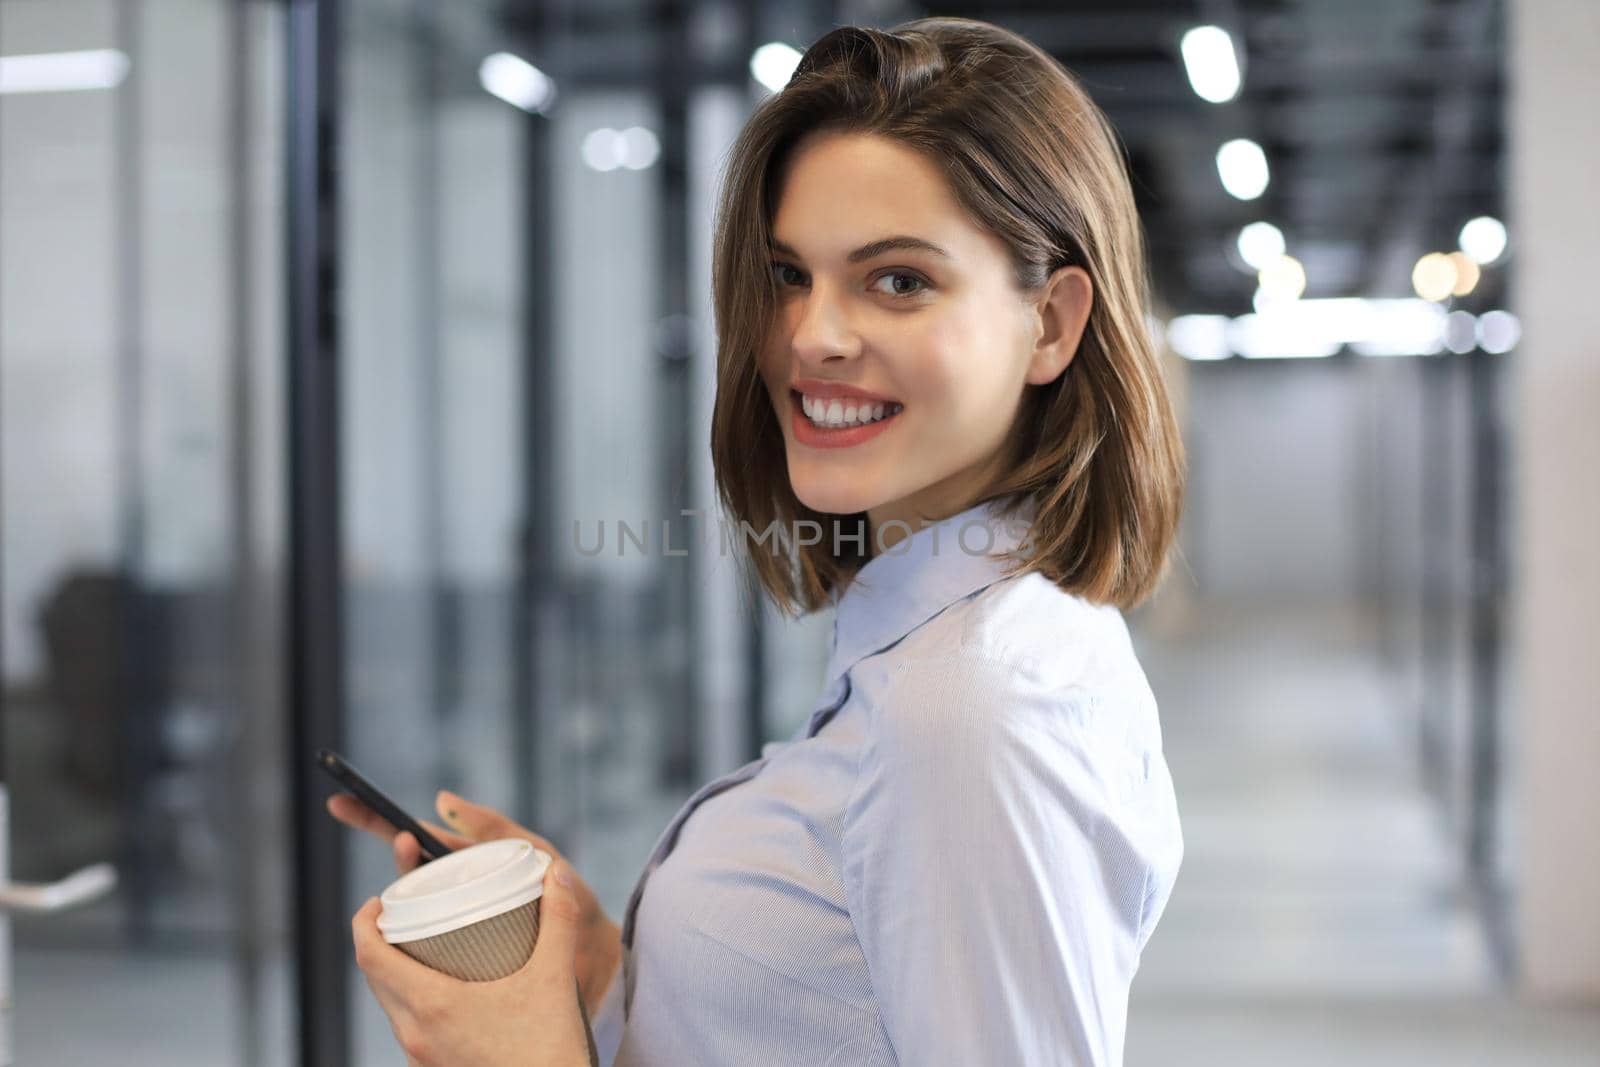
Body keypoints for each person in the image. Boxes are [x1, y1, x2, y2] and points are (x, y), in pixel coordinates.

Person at [332, 15, 1186, 1066]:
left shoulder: (967, 709)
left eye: (899, 279)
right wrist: (607, 969)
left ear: (1050, 324)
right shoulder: (926, 644)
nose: (811, 335)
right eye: (789, 274)